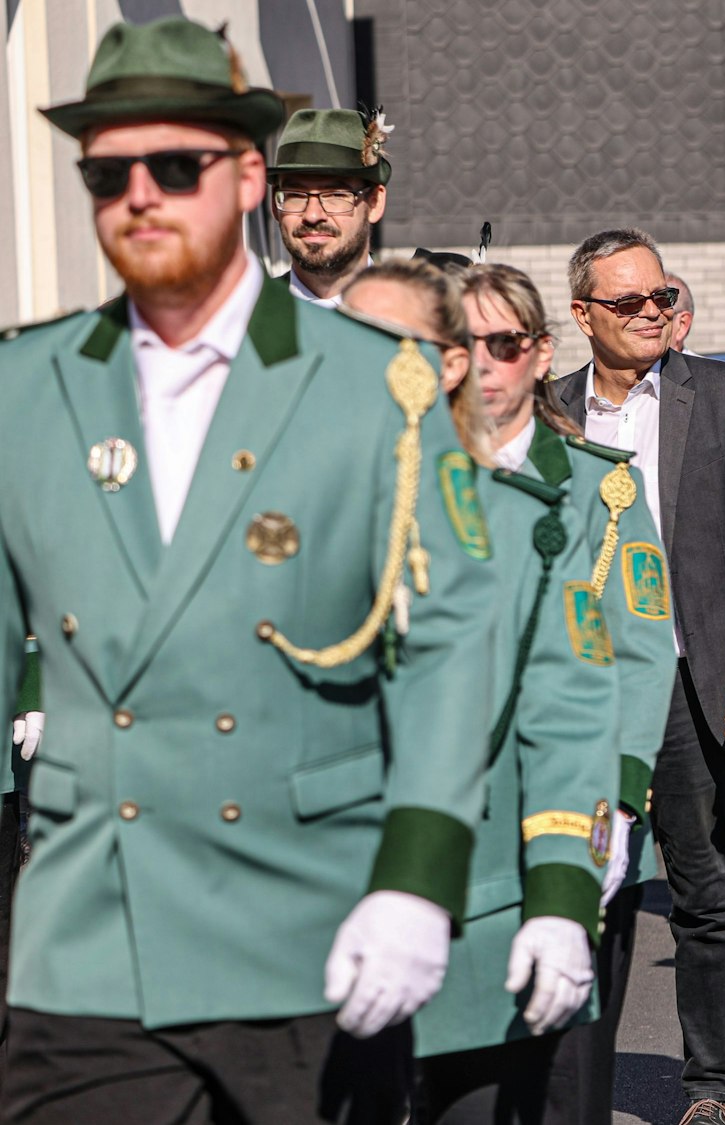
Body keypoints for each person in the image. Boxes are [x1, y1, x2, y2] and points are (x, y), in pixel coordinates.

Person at [0, 17, 497, 1121]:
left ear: (242, 175)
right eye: (106, 170)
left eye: (174, 166)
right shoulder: (25, 391)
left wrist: (418, 872)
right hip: (89, 943)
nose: (139, 194)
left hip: (303, 925)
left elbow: (456, 639)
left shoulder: (380, 386)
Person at [341, 261, 627, 1125]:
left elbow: (583, 687)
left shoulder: (546, 500)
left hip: (487, 869)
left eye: (503, 343)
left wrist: (588, 847)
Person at [550, 229, 725, 1125]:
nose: (653, 313)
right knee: (584, 889)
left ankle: (709, 1084)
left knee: (701, 887)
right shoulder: (549, 412)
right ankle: (576, 1090)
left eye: (661, 297)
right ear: (583, 315)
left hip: (698, 689)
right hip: (585, 693)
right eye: (629, 303)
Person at [268, 107, 390, 307]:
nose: (313, 215)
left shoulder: (423, 307)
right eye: (296, 195)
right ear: (275, 205)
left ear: (375, 202)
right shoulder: (245, 319)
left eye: (335, 195)